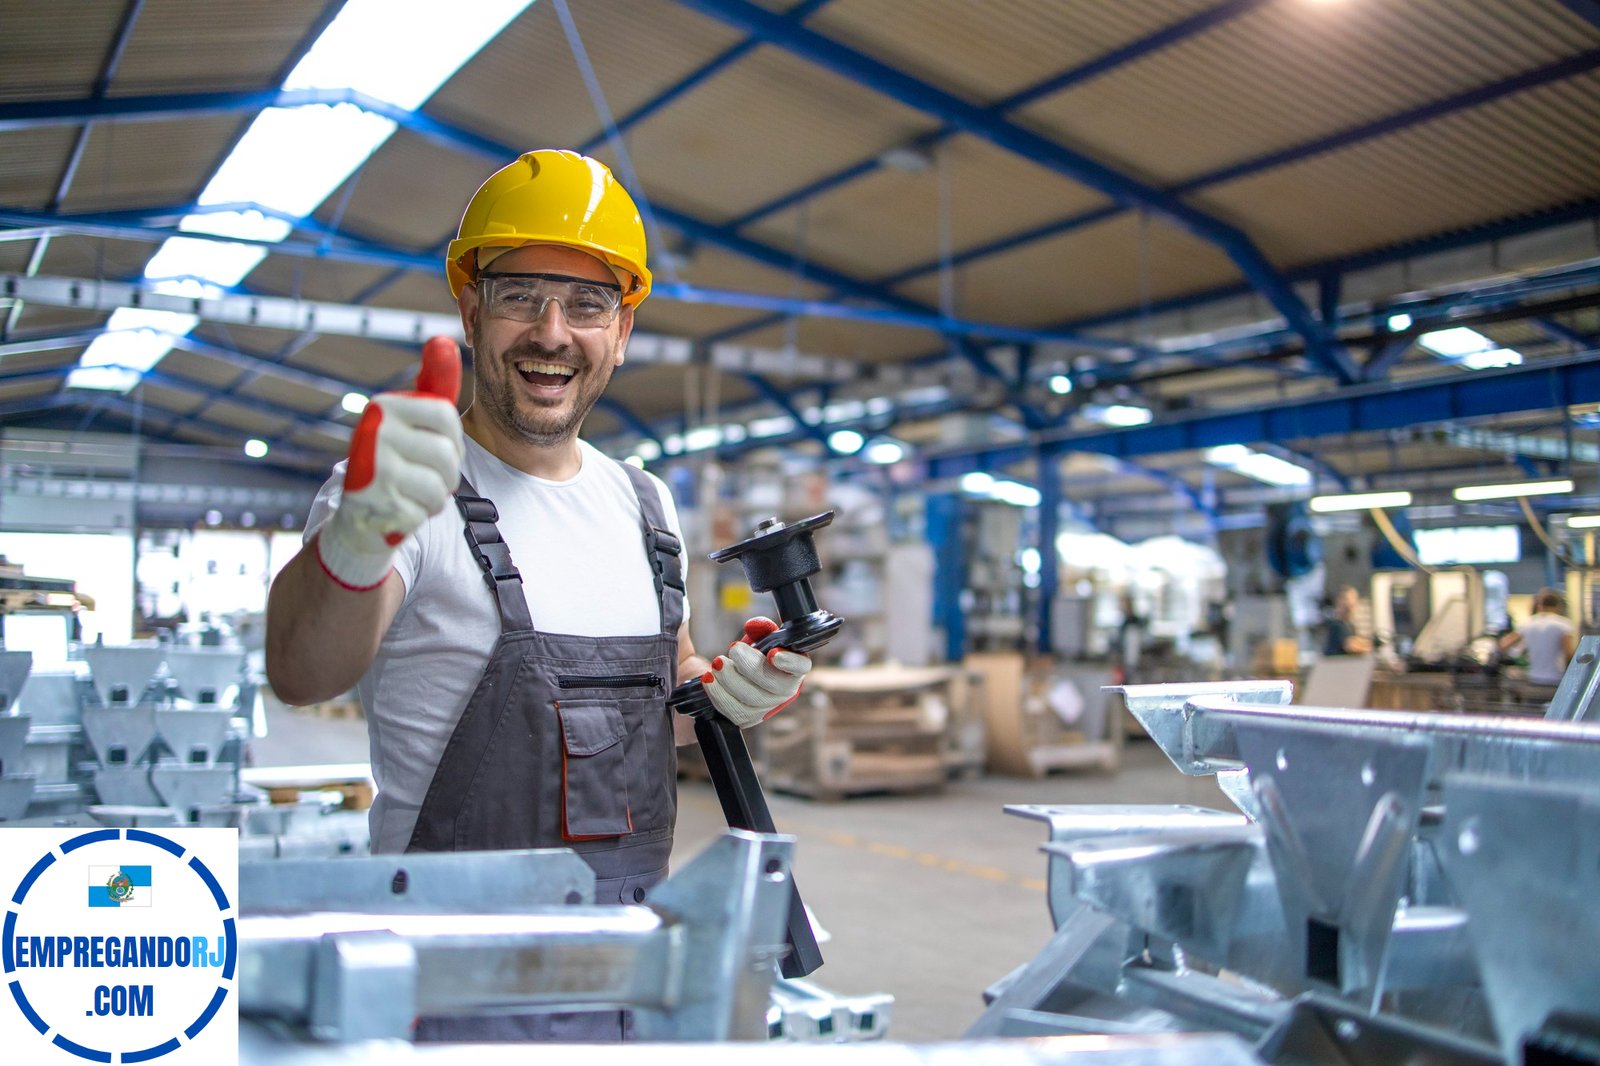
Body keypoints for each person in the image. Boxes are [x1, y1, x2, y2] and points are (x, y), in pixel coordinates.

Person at [264, 149, 811, 1041]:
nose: (553, 332)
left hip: (626, 966)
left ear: (622, 331)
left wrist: (727, 695)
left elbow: (658, 700)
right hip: (445, 981)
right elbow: (299, 671)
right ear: (470, 308)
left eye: (588, 305)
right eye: (521, 295)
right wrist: (360, 538)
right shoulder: (405, 490)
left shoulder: (644, 501)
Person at [1498, 587, 1577, 685]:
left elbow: (1503, 644)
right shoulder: (1564, 625)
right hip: (1556, 679)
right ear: (1559, 606)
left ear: (1539, 606)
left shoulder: (1528, 623)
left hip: (1534, 678)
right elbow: (1569, 653)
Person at [1323, 584, 1372, 656]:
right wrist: (1366, 646)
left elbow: (1358, 640)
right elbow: (1351, 646)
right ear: (1340, 601)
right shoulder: (1337, 625)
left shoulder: (1350, 625)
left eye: (1355, 599)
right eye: (1349, 599)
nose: (1353, 603)